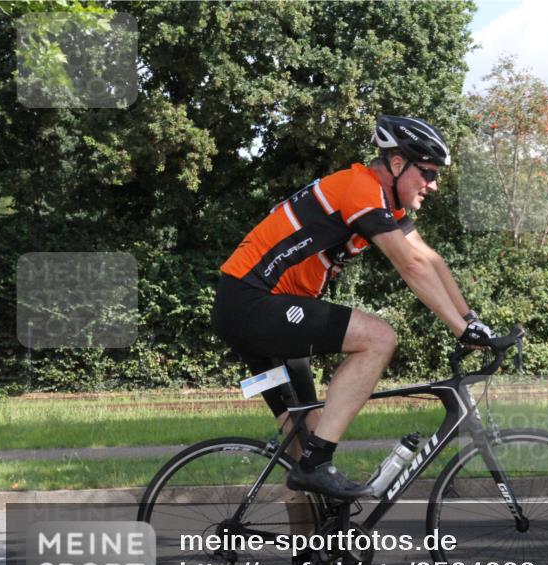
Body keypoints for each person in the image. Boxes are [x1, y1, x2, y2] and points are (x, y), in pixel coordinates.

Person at [211, 114, 494, 499]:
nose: (434, 184)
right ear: (397, 164)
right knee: (379, 338)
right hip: (252, 301)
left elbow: (429, 260)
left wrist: (472, 322)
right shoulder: (358, 188)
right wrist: (460, 330)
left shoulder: (382, 202)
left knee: (303, 444)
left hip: (260, 308)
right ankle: (318, 462)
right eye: (427, 173)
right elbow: (408, 265)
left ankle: (311, 553)